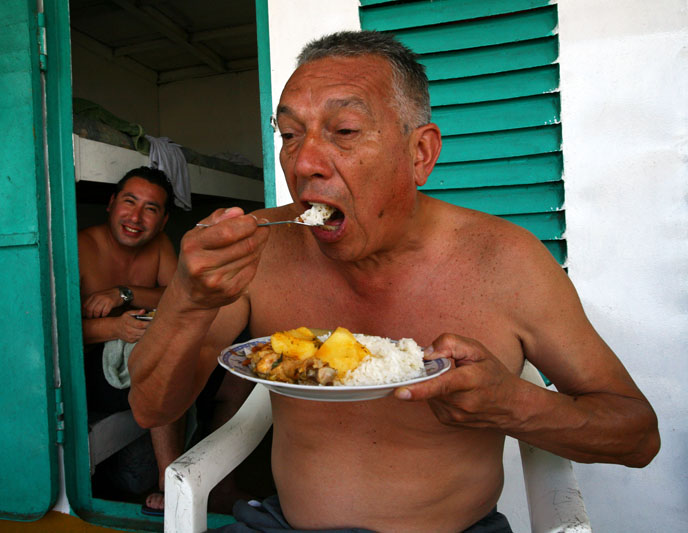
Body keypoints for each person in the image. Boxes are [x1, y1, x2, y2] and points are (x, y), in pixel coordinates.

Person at [127, 31, 660, 532]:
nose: (304, 161)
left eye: (345, 132)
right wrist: (187, 301)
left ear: (419, 154)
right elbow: (151, 407)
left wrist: (514, 404)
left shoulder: (506, 261)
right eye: (289, 135)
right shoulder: (262, 246)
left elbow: (636, 435)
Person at [78, 166, 180, 514]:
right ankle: (172, 480)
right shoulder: (79, 247)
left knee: (202, 334)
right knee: (159, 352)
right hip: (87, 376)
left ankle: (205, 462)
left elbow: (178, 298)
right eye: (129, 202)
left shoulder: (161, 246)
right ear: (111, 203)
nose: (135, 217)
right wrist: (115, 329)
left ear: (163, 221)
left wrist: (124, 293)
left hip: (134, 371)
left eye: (150, 209)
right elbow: (46, 332)